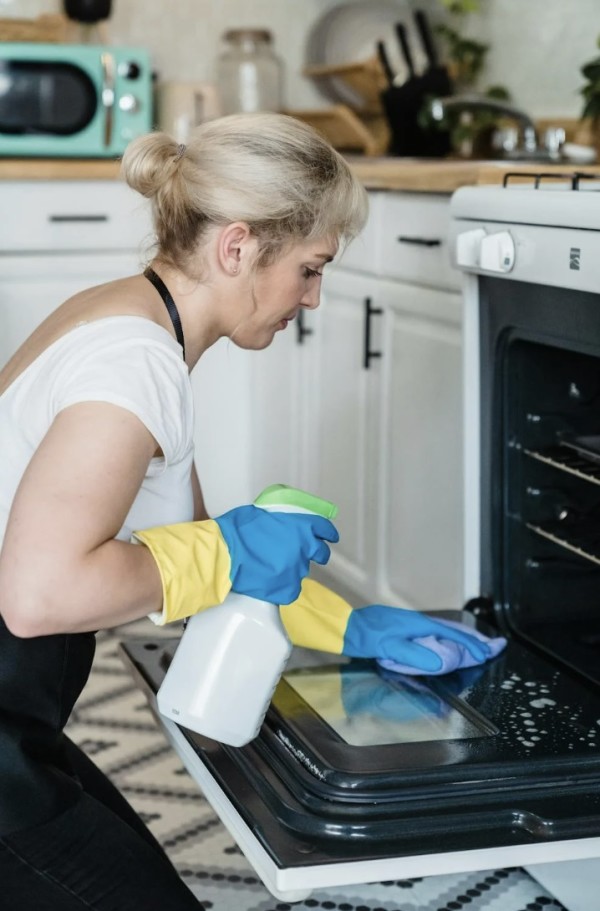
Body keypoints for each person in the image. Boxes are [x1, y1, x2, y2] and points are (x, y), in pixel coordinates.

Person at [0, 112, 500, 910]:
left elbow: (189, 553)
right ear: (236, 247)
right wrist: (229, 548)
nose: (313, 296)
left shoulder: (135, 322)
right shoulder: (134, 364)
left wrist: (349, 628)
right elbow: (39, 593)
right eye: (310, 267)